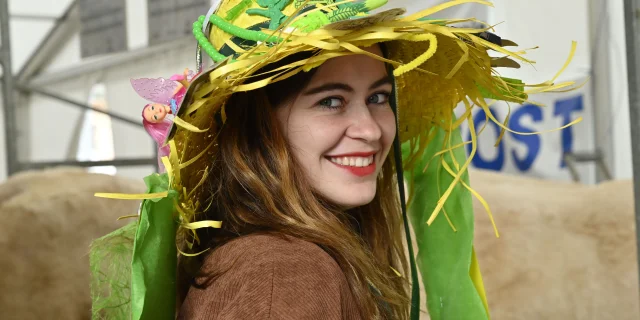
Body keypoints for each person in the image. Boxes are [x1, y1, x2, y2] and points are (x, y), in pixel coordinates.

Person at [90, 1, 577, 319]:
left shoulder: (288, 259)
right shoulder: (284, 276)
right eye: (331, 100)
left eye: (380, 97)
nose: (370, 129)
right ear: (257, 127)